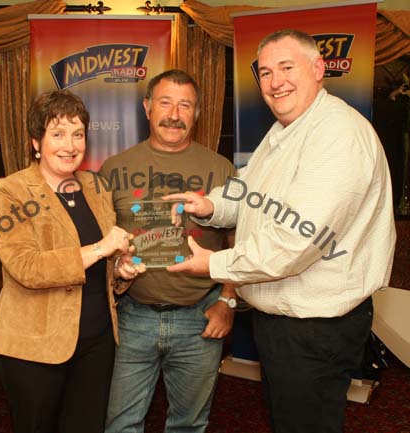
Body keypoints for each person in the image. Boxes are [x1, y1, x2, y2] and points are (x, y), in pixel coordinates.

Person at [165, 29, 396, 433]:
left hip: (315, 330)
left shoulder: (337, 135)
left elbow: (295, 245)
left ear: (318, 68)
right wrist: (210, 206)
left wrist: (212, 263)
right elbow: (250, 190)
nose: (275, 82)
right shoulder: (288, 130)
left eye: (286, 68)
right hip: (284, 325)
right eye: (266, 73)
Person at [0, 90, 143, 433]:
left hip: (97, 342)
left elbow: (104, 267)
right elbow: (27, 267)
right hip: (34, 347)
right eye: (57, 134)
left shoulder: (96, 186)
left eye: (77, 134)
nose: (69, 145)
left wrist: (120, 270)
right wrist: (101, 249)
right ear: (36, 142)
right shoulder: (11, 190)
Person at [99, 69, 238, 433]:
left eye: (185, 105)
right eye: (165, 103)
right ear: (147, 107)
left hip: (200, 317)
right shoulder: (113, 170)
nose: (174, 114)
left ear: (196, 113)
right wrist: (118, 265)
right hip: (133, 316)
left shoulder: (222, 170)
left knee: (189, 425)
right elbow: (101, 242)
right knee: (120, 424)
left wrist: (228, 302)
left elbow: (239, 243)